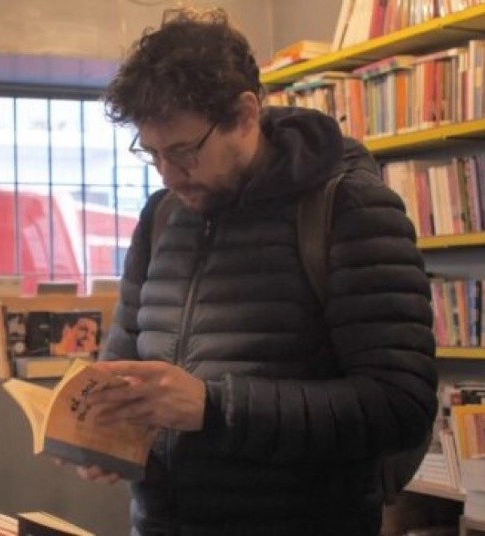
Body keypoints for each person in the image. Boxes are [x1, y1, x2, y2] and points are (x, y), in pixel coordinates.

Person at [78, 7, 438, 536]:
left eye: (184, 151)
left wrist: (214, 407)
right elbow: (123, 361)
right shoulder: (161, 217)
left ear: (245, 115)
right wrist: (103, 431)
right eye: (151, 153)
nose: (169, 175)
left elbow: (399, 407)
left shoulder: (349, 209)